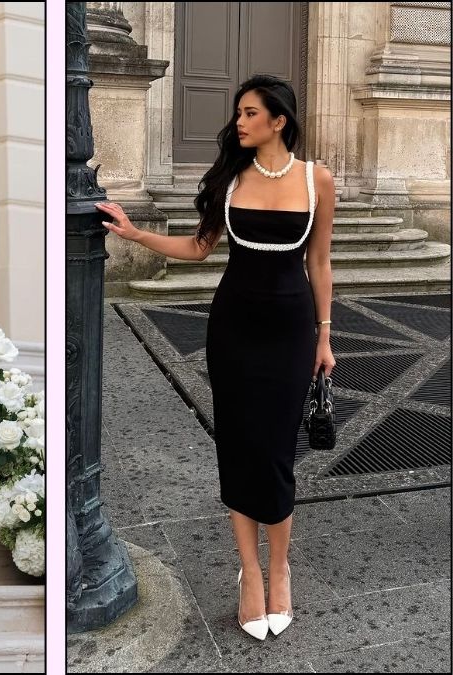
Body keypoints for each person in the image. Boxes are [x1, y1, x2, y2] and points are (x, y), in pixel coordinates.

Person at [96, 75, 335, 641]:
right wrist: (135, 233)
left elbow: (320, 262)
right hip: (233, 330)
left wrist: (325, 337)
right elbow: (197, 248)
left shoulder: (315, 179)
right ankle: (249, 572)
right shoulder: (232, 178)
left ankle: (280, 567)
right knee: (238, 445)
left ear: (280, 120)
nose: (239, 122)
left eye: (251, 113)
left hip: (291, 330)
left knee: (276, 452)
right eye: (239, 113)